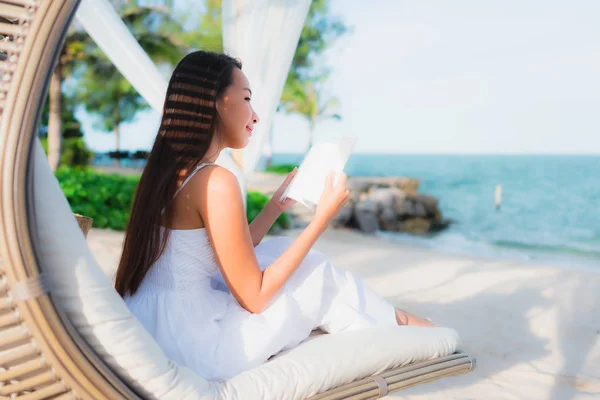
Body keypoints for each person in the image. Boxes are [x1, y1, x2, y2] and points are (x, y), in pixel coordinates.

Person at [115, 50, 433, 382]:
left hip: (156, 325)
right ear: (217, 102)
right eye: (247, 99)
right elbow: (254, 297)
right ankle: (403, 330)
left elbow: (215, 252)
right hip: (199, 348)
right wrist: (320, 220)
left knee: (275, 251)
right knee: (317, 272)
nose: (255, 117)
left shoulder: (167, 173)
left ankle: (397, 321)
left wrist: (274, 207)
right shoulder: (215, 180)